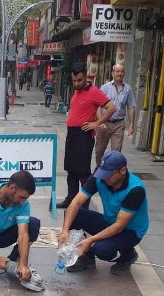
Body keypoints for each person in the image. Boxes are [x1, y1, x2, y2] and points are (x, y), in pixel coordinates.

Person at [58, 151, 149, 275]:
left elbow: (119, 226)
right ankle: (86, 257)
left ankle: (128, 255)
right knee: (72, 214)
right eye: (103, 173)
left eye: (108, 175)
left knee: (102, 250)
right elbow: (76, 203)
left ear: (122, 170)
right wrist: (64, 230)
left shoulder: (135, 190)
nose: (104, 178)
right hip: (109, 221)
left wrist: (90, 240)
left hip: (130, 231)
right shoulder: (100, 177)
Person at [56, 62, 116, 209]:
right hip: (72, 134)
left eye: (80, 80)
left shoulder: (94, 91)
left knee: (82, 171)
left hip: (84, 135)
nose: (76, 83)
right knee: (70, 169)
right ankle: (71, 199)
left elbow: (111, 108)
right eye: (74, 81)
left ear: (86, 77)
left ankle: (83, 204)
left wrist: (96, 123)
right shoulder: (76, 90)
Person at [94, 64, 136, 169]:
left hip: (119, 124)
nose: (119, 73)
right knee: (99, 150)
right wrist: (100, 122)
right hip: (105, 123)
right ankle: (99, 169)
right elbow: (97, 106)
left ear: (124, 73)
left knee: (116, 152)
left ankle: (111, 172)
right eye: (117, 71)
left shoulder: (128, 89)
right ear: (113, 73)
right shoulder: (105, 88)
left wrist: (131, 124)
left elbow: (131, 107)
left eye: (121, 71)